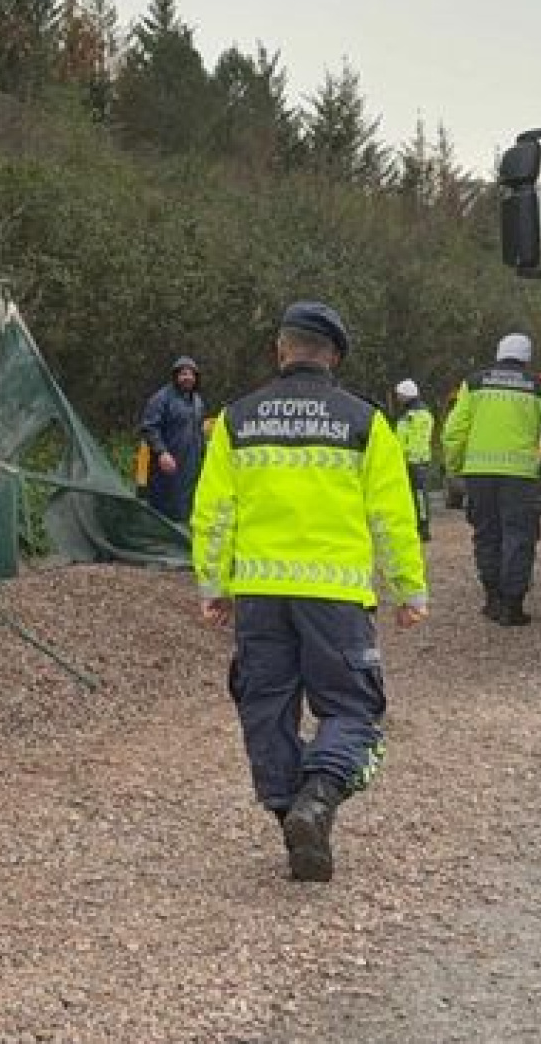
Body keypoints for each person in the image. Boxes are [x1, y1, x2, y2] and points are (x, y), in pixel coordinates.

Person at [191, 301, 428, 883]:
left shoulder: (236, 420)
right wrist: (408, 590)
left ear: (280, 349)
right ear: (336, 358)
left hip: (261, 596)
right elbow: (392, 517)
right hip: (336, 598)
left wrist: (214, 585)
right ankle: (317, 800)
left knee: (265, 708)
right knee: (352, 709)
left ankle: (291, 823)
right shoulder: (365, 422)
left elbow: (213, 512)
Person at [442, 333, 541, 627]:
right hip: (520, 477)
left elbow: (454, 431)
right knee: (519, 537)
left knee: (487, 535)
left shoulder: (474, 383)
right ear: (527, 358)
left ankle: (492, 599)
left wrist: (454, 466)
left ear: (499, 353)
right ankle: (513, 606)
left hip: (478, 474)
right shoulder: (540, 388)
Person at [139, 356, 206, 523]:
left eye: (191, 374)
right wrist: (162, 452)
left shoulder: (197, 401)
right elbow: (149, 427)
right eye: (183, 373)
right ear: (176, 376)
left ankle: (181, 544)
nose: (187, 377)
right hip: (168, 465)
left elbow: (199, 430)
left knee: (188, 508)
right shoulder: (161, 398)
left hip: (192, 465)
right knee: (165, 509)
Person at [394, 379, 434, 542]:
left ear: (406, 394)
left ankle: (423, 528)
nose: (397, 397)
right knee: (414, 495)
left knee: (418, 495)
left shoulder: (416, 414)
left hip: (414, 462)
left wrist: (405, 456)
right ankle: (417, 525)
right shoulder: (411, 413)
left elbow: (415, 441)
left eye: (399, 394)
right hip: (409, 460)